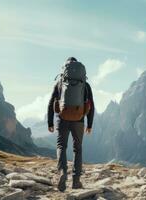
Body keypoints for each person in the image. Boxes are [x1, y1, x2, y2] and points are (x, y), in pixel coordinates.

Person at [47, 57, 94, 192]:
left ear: (65, 70)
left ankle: (62, 172)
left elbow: (51, 103)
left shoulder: (60, 82)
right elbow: (91, 105)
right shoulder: (85, 84)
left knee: (61, 145)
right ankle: (76, 181)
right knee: (77, 148)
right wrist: (89, 124)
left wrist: (50, 122)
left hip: (62, 118)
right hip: (79, 120)